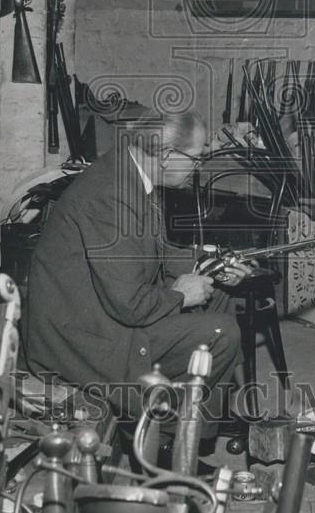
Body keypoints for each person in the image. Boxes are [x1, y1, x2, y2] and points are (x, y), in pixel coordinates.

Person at [23, 108, 252, 434]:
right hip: (81, 338)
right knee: (221, 333)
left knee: (220, 298)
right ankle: (164, 435)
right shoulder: (112, 197)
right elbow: (129, 305)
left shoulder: (130, 171)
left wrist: (209, 263)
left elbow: (151, 250)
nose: (198, 167)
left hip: (101, 313)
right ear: (167, 155)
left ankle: (191, 425)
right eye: (196, 158)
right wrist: (179, 296)